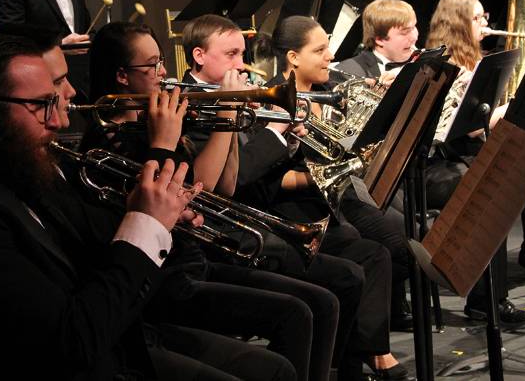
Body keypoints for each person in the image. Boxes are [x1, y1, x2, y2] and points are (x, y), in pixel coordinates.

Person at [0, 33, 294, 380]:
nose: (60, 120)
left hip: (118, 340)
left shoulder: (27, 170)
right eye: (42, 104)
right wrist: (145, 225)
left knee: (274, 369)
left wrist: (165, 219)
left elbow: (101, 251)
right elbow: (70, 342)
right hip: (74, 362)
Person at [79, 22, 335, 381]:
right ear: (122, 76)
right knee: (295, 317)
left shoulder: (157, 117)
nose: (164, 72)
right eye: (152, 65)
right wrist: (223, 113)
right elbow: (204, 186)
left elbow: (226, 185)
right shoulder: (111, 139)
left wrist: (232, 119)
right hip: (163, 284)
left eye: (161, 61)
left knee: (318, 304)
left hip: (191, 263)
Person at [181, 14, 406, 381]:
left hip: (261, 215)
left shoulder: (235, 94)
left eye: (243, 53)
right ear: (200, 56)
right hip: (239, 226)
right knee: (346, 272)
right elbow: (230, 182)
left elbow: (246, 164)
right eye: (233, 54)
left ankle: (347, 367)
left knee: (369, 254)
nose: (243, 64)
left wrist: (287, 138)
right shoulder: (191, 107)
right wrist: (276, 133)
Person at [425, 0, 525, 323]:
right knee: (491, 193)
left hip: (466, 157)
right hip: (437, 165)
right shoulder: (445, 65)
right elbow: (468, 129)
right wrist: (512, 109)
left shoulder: (477, 61)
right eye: (478, 18)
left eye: (483, 16)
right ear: (459, 24)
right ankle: (485, 301)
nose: (486, 24)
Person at [335, 0, 419, 84]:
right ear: (380, 40)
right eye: (405, 32)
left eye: (414, 27)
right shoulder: (347, 72)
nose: (414, 37)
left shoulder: (425, 65)